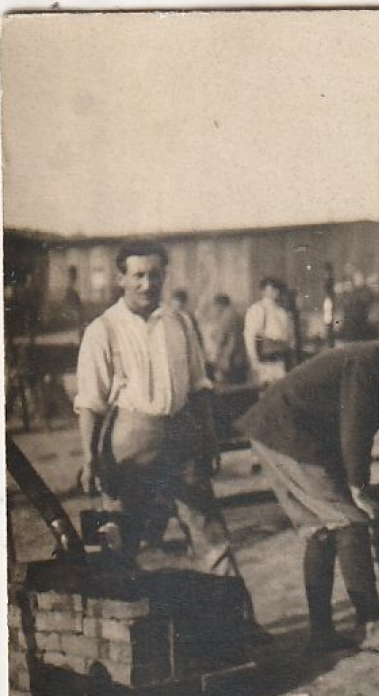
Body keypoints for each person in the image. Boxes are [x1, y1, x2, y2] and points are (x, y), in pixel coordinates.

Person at [73, 240, 263, 631]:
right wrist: (90, 458)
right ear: (120, 277)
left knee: (210, 535)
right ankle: (114, 633)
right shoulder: (102, 330)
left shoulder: (179, 321)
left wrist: (209, 438)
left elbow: (199, 386)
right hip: (129, 442)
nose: (147, 284)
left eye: (155, 274)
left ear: (164, 276)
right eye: (138, 275)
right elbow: (90, 401)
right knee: (120, 539)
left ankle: (240, 624)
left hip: (181, 438)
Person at [236, 313, 379, 654]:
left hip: (279, 434)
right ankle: (374, 626)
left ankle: (322, 633)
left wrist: (352, 485)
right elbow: (353, 432)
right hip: (288, 434)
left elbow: (346, 434)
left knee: (321, 529)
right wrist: (358, 490)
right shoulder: (372, 363)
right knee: (351, 522)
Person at [244, 277, 295, 385]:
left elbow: (288, 338)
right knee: (266, 393)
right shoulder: (257, 309)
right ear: (263, 291)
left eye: (276, 289)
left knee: (281, 391)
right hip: (265, 361)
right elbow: (250, 336)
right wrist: (254, 361)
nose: (274, 292)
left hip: (281, 360)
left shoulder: (282, 312)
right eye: (271, 289)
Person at [198, 293, 251, 385]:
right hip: (241, 358)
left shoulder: (225, 318)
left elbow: (221, 340)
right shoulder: (238, 316)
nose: (214, 310)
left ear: (219, 305)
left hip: (228, 360)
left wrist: (215, 356)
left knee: (226, 389)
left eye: (214, 306)